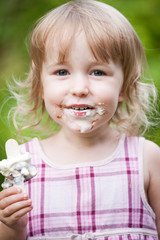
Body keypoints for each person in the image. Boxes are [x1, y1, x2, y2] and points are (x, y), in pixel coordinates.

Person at [0, 0, 160, 239]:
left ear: (125, 87)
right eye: (62, 72)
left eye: (98, 72)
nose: (79, 88)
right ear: (40, 86)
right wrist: (13, 226)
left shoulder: (146, 158)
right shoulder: (22, 165)